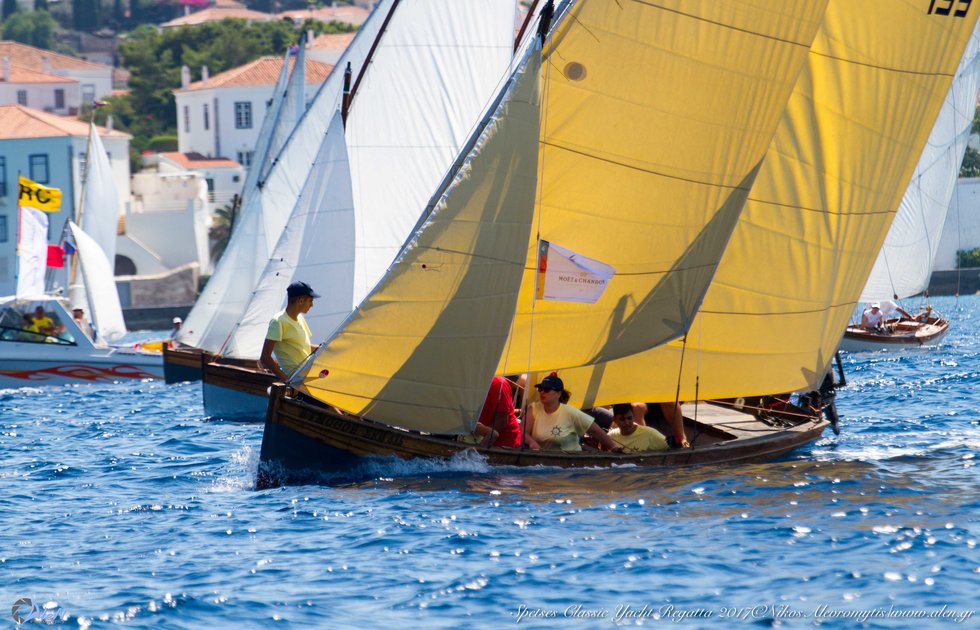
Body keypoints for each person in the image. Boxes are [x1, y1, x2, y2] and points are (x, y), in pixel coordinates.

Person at [523, 373, 623, 452]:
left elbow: (595, 431)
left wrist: (614, 448)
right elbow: (522, 432)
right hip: (542, 462)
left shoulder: (570, 412)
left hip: (570, 464)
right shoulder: (534, 408)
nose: (542, 392)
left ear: (558, 394)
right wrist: (531, 442)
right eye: (540, 389)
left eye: (547, 389)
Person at [260, 281, 320, 380]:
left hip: (305, 378)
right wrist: (287, 380)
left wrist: (327, 348)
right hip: (296, 381)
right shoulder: (278, 321)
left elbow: (303, 347)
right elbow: (265, 358)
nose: (312, 305)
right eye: (310, 301)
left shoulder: (300, 317)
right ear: (300, 300)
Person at [472, 376, 522, 448]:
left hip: (504, 444)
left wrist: (479, 448)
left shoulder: (498, 383)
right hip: (480, 440)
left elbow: (501, 421)